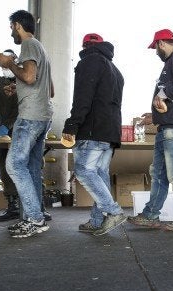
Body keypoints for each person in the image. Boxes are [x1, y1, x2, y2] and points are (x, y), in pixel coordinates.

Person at [126, 29, 173, 231]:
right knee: (158, 173)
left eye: (155, 48)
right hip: (168, 126)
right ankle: (151, 214)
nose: (156, 52)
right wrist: (156, 116)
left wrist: (164, 93)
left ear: (161, 44)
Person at [0, 10, 54, 238]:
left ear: (17, 25)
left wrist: (10, 64)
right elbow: (48, 89)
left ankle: (35, 219)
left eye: (11, 28)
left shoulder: (28, 44)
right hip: (43, 115)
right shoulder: (41, 48)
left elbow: (29, 77)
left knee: (13, 165)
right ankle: (36, 215)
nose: (11, 33)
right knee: (29, 167)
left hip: (29, 117)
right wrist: (17, 87)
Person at [63, 33, 126, 236]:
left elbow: (83, 97)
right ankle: (99, 220)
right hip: (109, 132)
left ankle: (113, 211)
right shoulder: (115, 70)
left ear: (85, 47)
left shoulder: (90, 61)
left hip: (92, 129)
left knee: (82, 170)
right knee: (99, 174)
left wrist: (72, 125)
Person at [0, 49, 21, 222]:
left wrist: (8, 125)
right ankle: (13, 205)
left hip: (23, 129)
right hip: (5, 134)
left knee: (28, 165)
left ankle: (35, 205)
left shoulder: (25, 79)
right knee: (4, 165)